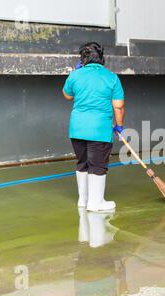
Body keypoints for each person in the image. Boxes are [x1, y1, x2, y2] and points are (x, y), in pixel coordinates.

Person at [62, 42, 125, 211]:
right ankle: (96, 203)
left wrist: (76, 73)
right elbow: (118, 106)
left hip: (77, 129)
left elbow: (67, 95)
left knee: (82, 162)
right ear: (101, 57)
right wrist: (119, 127)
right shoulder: (111, 77)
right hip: (99, 129)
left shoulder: (75, 75)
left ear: (83, 59)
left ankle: (83, 200)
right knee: (97, 164)